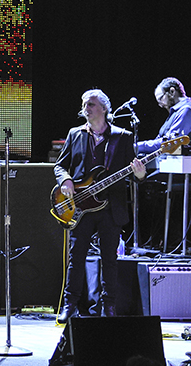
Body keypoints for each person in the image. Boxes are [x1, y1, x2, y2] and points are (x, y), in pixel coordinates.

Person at [54, 89, 146, 322]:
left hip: (110, 208)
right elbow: (60, 165)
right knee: (76, 258)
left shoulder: (123, 136)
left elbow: (133, 174)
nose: (86, 108)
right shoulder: (75, 134)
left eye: (91, 104)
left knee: (110, 260)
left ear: (104, 108)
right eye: (84, 104)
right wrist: (65, 180)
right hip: (81, 207)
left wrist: (140, 174)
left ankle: (109, 306)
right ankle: (69, 305)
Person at [136, 77, 191, 154]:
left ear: (172, 91)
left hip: (181, 164)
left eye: (161, 99)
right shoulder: (175, 112)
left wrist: (138, 146)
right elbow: (159, 141)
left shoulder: (187, 110)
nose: (161, 105)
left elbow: (169, 142)